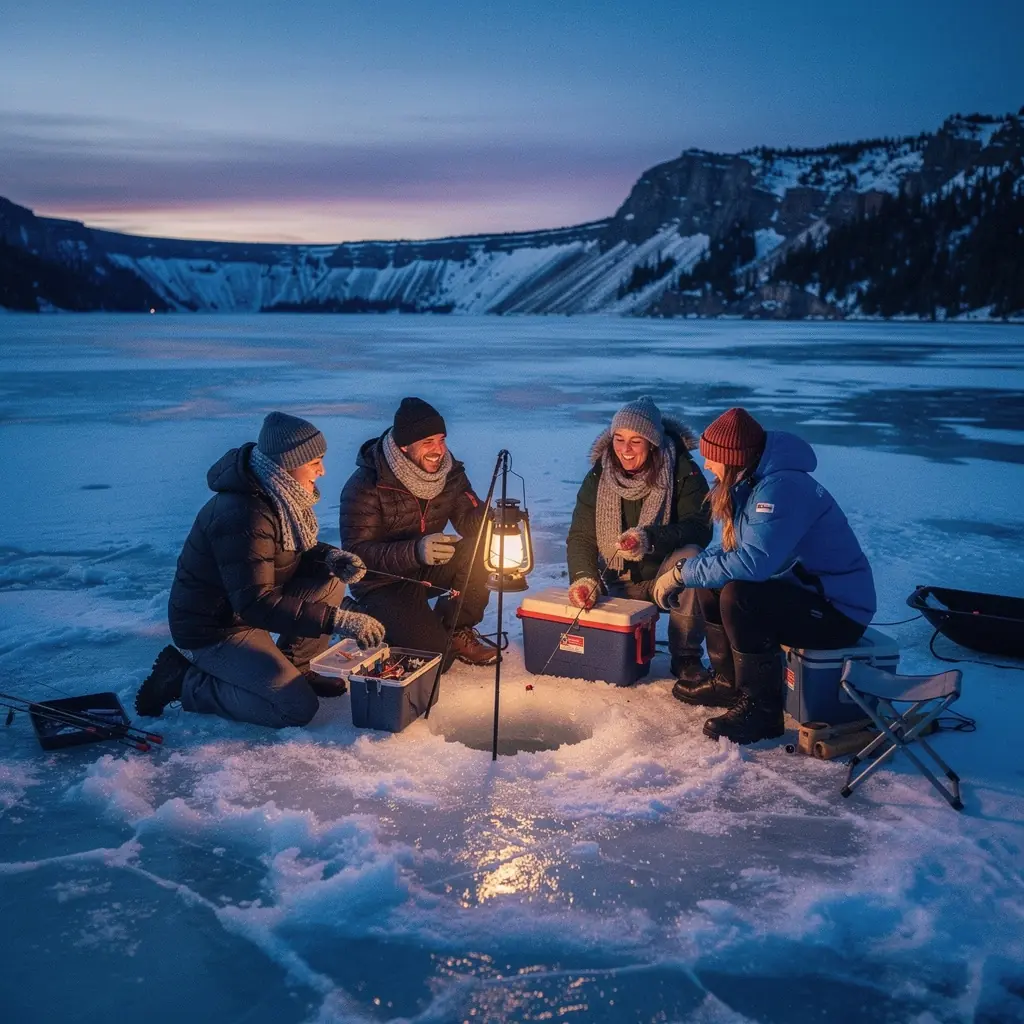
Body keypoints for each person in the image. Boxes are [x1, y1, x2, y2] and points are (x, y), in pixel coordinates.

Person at [135, 412, 385, 728]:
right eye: (314, 462)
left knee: (330, 579)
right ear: (287, 464)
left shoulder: (277, 495)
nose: (322, 471)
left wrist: (329, 558)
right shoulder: (244, 515)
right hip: (215, 629)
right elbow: (256, 604)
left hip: (245, 611)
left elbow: (282, 554)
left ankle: (299, 668)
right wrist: (337, 620)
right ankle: (184, 681)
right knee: (296, 709)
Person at [653, 407, 876, 744]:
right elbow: (735, 554)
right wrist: (688, 573)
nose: (707, 465)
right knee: (712, 583)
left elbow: (753, 564)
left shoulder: (780, 489)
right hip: (805, 595)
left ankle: (762, 710)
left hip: (838, 612)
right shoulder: (753, 481)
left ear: (735, 458)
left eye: (713, 458)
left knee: (741, 596)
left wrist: (682, 573)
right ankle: (729, 682)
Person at [338, 397, 496, 669]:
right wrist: (415, 551)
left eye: (441, 439)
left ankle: (455, 629)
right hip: (381, 584)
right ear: (404, 446)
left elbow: (468, 522)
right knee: (438, 661)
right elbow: (355, 555)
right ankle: (361, 614)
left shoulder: (449, 473)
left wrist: (493, 519)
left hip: (424, 573)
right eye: (427, 442)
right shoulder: (367, 483)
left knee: (479, 547)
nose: (439, 450)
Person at [566, 396, 712, 687]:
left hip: (666, 576)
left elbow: (699, 529)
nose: (625, 450)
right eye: (619, 439)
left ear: (653, 442)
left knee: (693, 558)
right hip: (618, 578)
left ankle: (686, 656)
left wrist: (649, 538)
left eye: (636, 441)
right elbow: (581, 536)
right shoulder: (598, 474)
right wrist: (584, 579)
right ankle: (619, 642)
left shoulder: (684, 473)